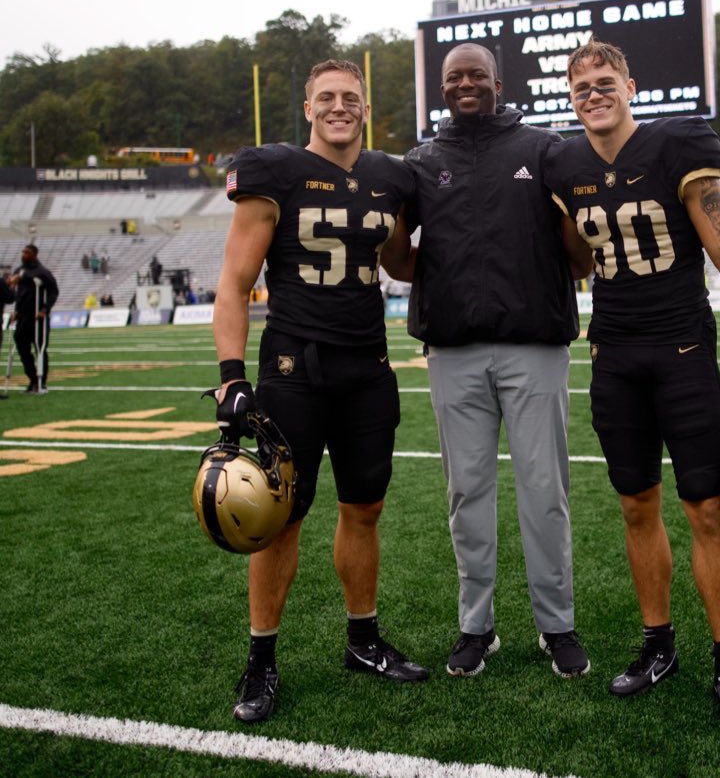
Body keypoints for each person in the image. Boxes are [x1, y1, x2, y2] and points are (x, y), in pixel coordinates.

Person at [545, 39, 720, 732]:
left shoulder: (678, 147)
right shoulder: (564, 164)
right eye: (581, 84)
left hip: (681, 351)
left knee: (706, 510)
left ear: (631, 86)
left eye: (604, 80)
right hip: (614, 355)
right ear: (571, 96)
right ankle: (658, 644)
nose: (593, 92)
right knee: (636, 506)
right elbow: (578, 258)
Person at [211, 59, 427, 725]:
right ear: (308, 108)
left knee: (364, 509)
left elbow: (398, 261)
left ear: (366, 107)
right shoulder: (274, 171)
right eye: (327, 98)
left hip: (366, 366)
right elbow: (234, 280)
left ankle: (362, 640)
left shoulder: (390, 178)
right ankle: (261, 660)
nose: (340, 107)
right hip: (294, 367)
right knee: (282, 517)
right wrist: (230, 374)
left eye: (351, 98)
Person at [382, 42, 592, 681]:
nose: (465, 84)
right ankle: (477, 626)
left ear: (499, 81)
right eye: (453, 77)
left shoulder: (543, 149)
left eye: (476, 74)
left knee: (544, 493)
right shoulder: (420, 163)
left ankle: (556, 625)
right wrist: (393, 222)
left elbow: (579, 259)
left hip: (534, 348)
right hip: (452, 353)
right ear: (440, 88)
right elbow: (397, 263)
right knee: (466, 494)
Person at [11, 244, 59, 395]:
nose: (23, 255)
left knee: (40, 349)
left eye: (27, 253)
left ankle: (41, 382)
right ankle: (32, 378)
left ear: (34, 255)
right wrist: (16, 311)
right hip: (22, 317)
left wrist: (45, 309)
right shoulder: (18, 271)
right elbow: (19, 294)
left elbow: (53, 292)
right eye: (23, 252)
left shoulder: (43, 272)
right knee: (21, 346)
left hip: (38, 318)